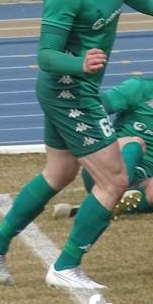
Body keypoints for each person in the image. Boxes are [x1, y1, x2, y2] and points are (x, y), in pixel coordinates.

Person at [0, 0, 153, 290]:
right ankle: (65, 266)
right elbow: (46, 55)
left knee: (59, 172)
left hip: (75, 89)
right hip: (68, 91)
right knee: (115, 180)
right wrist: (80, 63)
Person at [53, 76, 153, 219]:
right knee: (135, 143)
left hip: (142, 180)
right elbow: (88, 111)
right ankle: (110, 198)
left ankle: (99, 207)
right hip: (106, 169)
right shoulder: (139, 88)